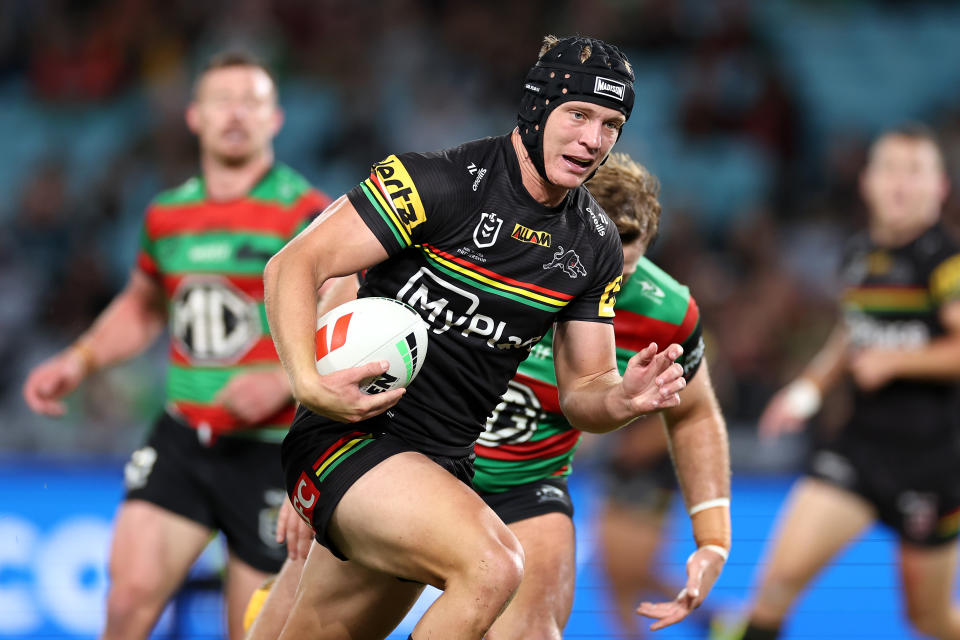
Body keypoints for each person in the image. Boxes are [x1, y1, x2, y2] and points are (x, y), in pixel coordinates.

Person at [262, 35, 695, 640]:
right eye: (578, 115)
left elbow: (585, 391)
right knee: (494, 564)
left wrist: (622, 400)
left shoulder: (593, 244)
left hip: (439, 467)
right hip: (351, 438)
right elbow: (293, 265)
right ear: (538, 107)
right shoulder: (436, 182)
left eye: (611, 124)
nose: (593, 140)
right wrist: (309, 385)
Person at [22, 52, 324, 640]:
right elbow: (143, 305)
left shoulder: (308, 213)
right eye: (222, 101)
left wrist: (286, 381)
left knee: (256, 629)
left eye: (251, 101)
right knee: (127, 602)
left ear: (276, 119)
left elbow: (347, 324)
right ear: (194, 117)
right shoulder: (168, 214)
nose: (236, 114)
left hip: (273, 452)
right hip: (184, 439)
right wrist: (78, 360)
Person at [472, 152, 729, 639]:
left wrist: (713, 538)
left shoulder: (668, 312)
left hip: (526, 485)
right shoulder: (483, 254)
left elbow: (696, 413)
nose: (602, 290)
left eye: (621, 276)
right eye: (590, 265)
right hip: (426, 463)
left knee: (537, 626)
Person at [737, 124, 960, 640]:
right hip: (857, 452)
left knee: (927, 619)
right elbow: (851, 333)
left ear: (940, 187)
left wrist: (898, 362)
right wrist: (808, 390)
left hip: (931, 464)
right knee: (773, 589)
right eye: (890, 170)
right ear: (867, 182)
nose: (901, 184)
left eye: (915, 171)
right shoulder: (859, 253)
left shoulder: (944, 263)